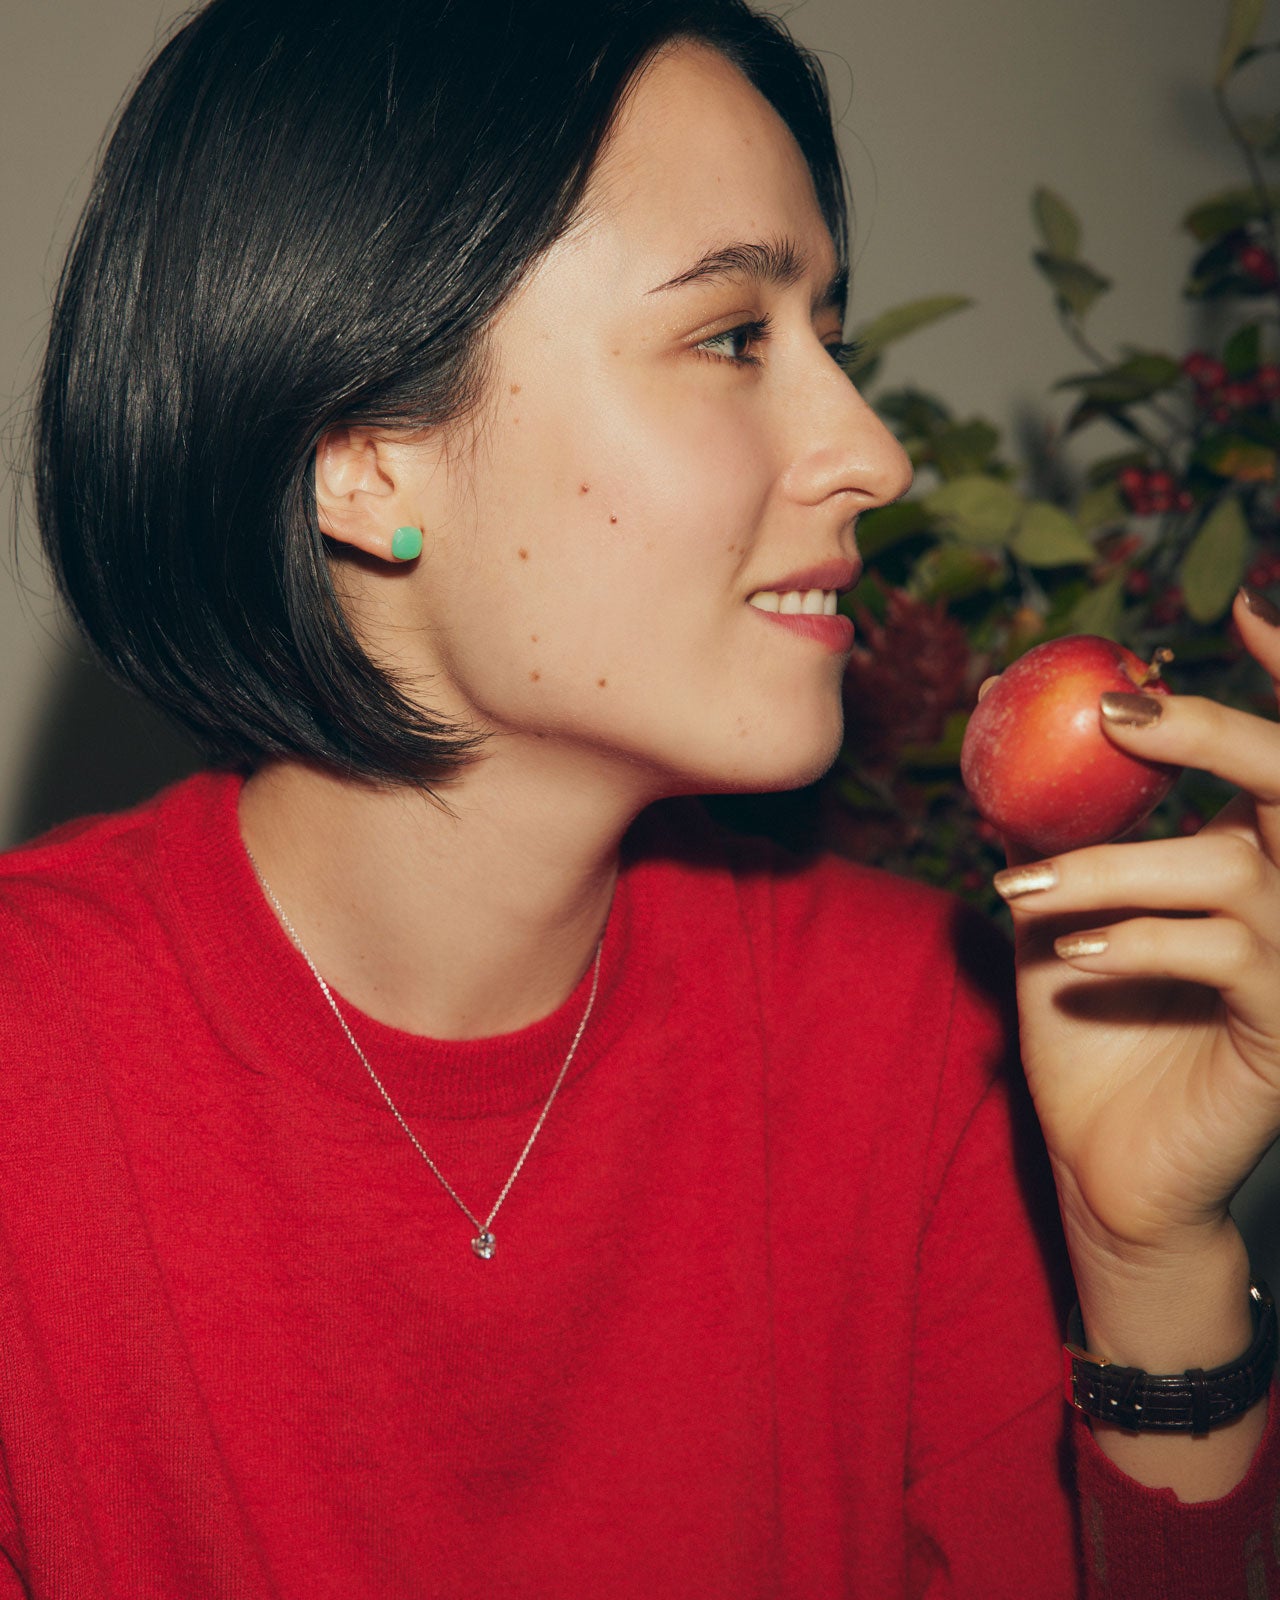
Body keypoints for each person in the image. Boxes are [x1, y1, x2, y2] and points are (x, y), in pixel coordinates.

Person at [4, 0, 1279, 1593]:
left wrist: (1147, 1261)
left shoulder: (922, 1034)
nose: (874, 454)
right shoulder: (30, 1077)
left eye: (836, 341)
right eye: (733, 336)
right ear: (363, 458)